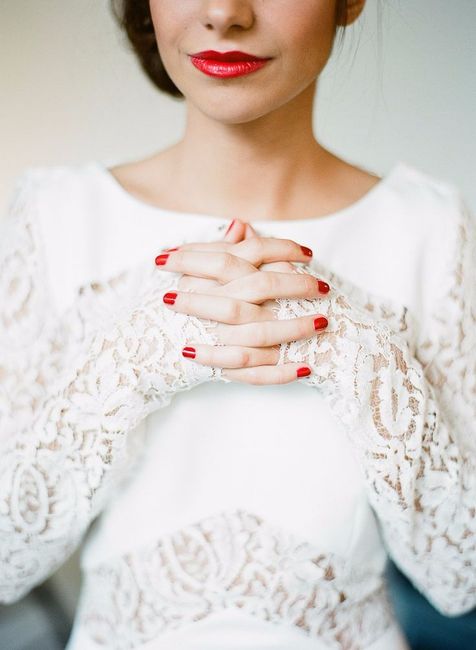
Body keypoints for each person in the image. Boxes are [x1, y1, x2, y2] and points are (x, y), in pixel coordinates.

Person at [0, 1, 475, 649]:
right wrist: (135, 357)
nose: (224, 13)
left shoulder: (429, 228)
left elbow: (460, 579)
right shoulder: (57, 215)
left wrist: (354, 350)